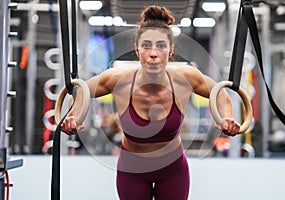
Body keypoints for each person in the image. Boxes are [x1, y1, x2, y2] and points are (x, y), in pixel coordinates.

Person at [61, 5, 240, 200]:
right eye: (146, 45)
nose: (153, 53)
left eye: (161, 46)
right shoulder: (116, 80)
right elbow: (81, 91)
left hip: (172, 170)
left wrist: (226, 118)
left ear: (170, 50)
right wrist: (73, 117)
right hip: (132, 170)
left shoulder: (186, 78)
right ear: (137, 50)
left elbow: (220, 94)